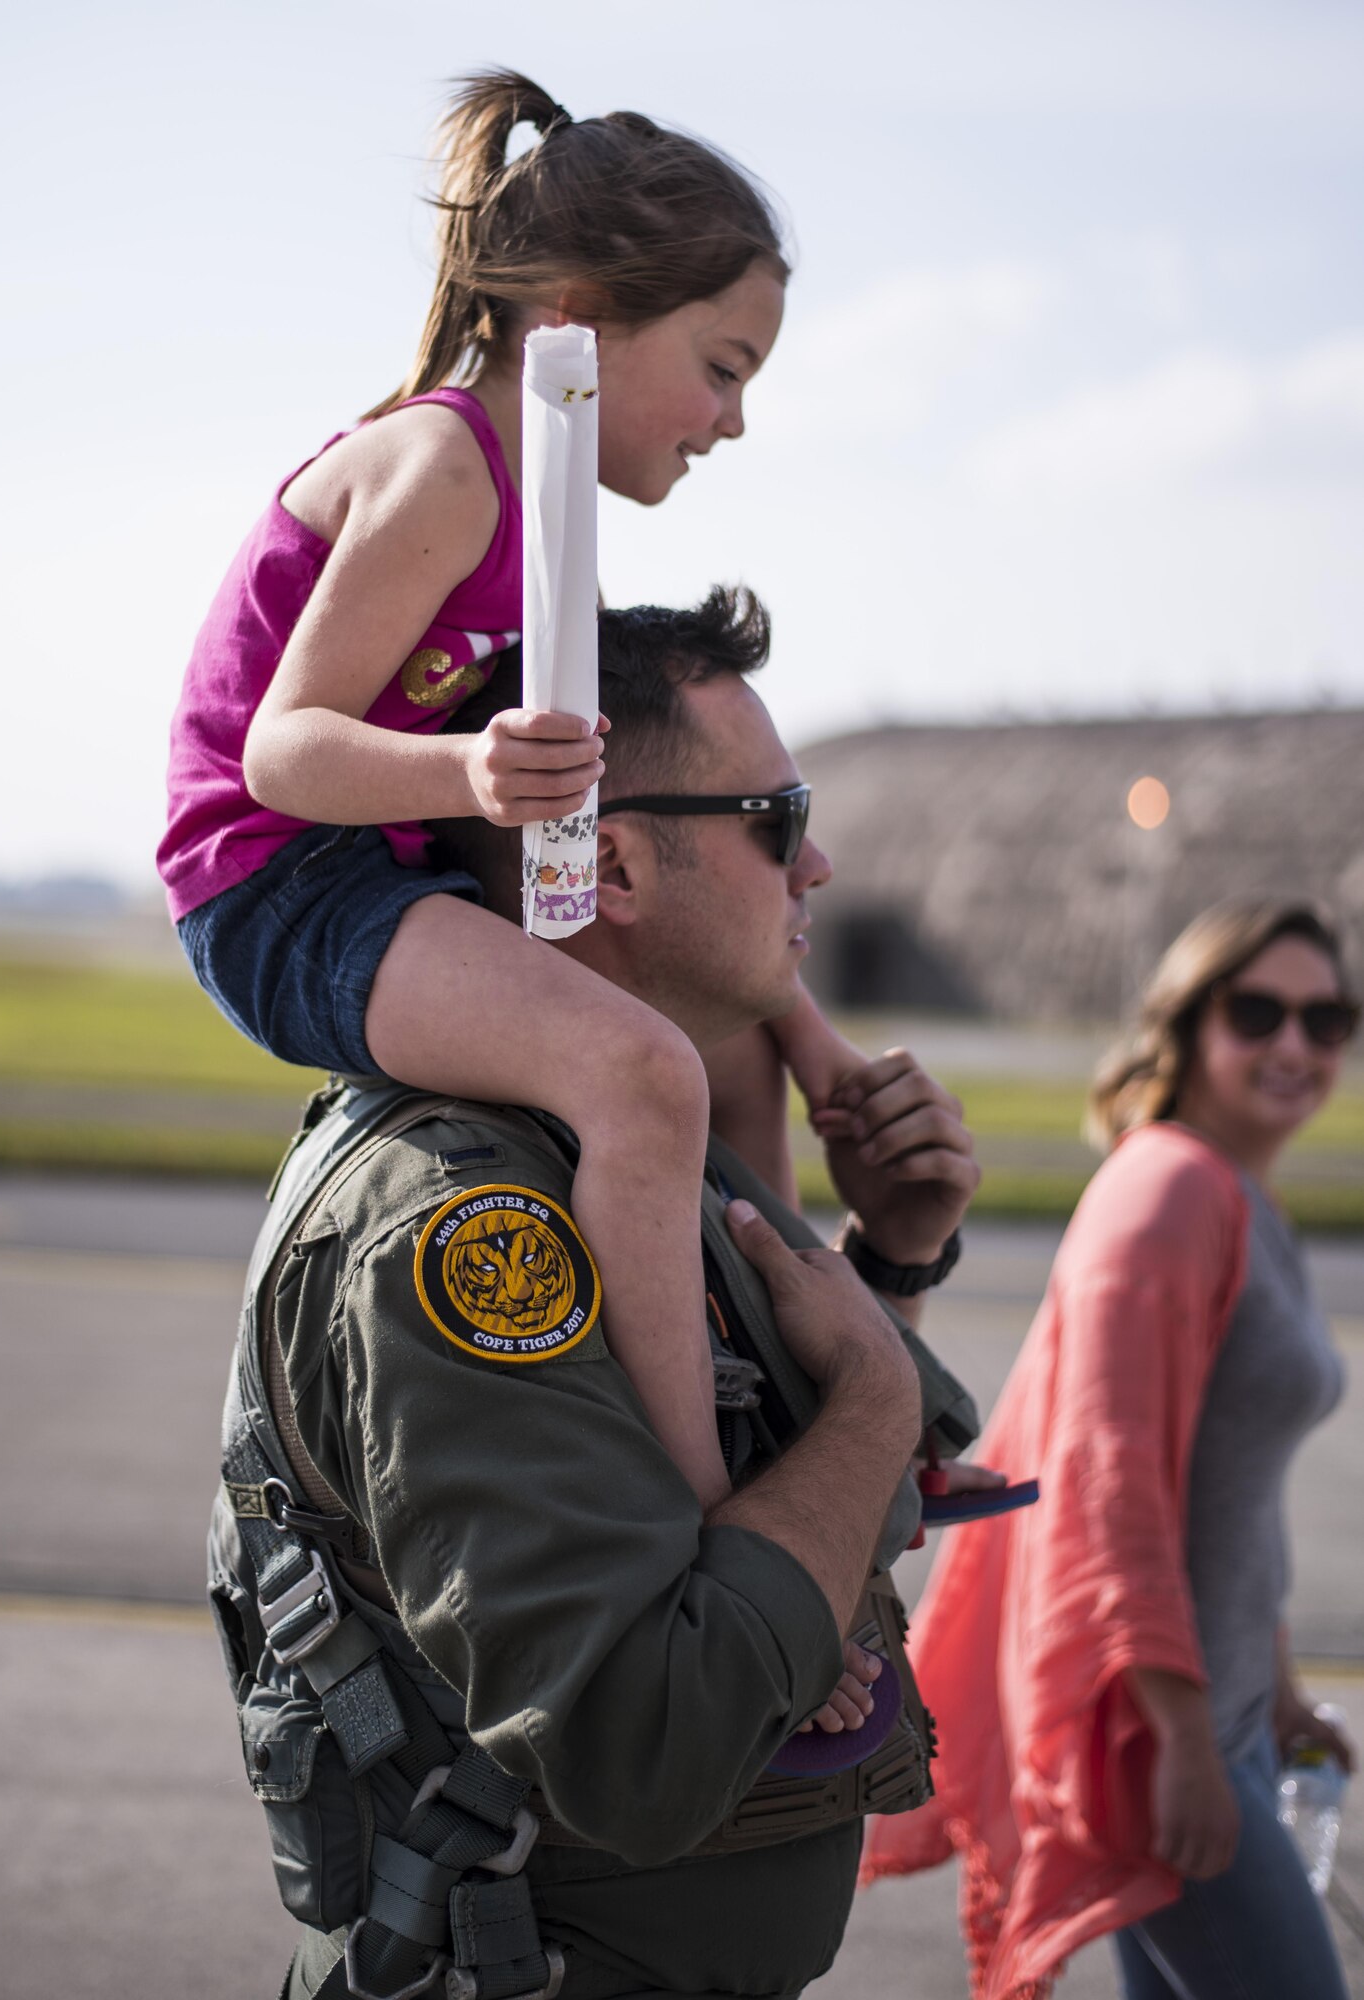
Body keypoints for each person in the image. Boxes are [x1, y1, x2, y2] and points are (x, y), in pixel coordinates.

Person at [208, 588, 986, 2000]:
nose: (813, 871)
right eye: (777, 820)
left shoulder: (632, 1154)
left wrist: (892, 1256)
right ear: (610, 865)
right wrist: (871, 1392)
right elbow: (646, 1739)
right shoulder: (474, 1222)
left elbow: (833, 1506)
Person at [158, 70, 862, 1512]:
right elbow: (280, 753)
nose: (730, 421)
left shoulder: (548, 515)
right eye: (723, 368)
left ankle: (812, 1418)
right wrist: (466, 768)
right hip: (281, 885)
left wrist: (808, 1040)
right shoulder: (445, 472)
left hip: (398, 857)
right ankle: (693, 1515)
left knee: (703, 1034)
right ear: (582, 323)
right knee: (636, 1069)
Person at [863, 899, 1358, 2000]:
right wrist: (1182, 1737)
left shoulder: (1238, 1192)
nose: (1294, 1044)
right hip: (1161, 1727)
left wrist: (1271, 1693)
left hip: (1217, 1708)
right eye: (1258, 1011)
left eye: (1325, 1019)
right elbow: (1109, 1481)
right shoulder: (1168, 1189)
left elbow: (1225, 1487)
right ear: (1185, 1024)